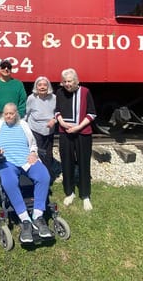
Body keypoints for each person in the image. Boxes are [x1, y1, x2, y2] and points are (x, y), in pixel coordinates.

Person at [0, 102, 52, 243]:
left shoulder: (23, 124)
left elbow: (33, 143)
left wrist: (34, 153)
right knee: (10, 181)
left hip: (26, 159)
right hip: (5, 161)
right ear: (3, 114)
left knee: (44, 176)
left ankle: (38, 216)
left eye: (12, 113)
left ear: (16, 113)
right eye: (6, 113)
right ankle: (25, 220)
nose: (9, 115)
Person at [55, 68, 97, 212]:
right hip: (65, 132)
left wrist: (78, 127)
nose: (67, 84)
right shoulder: (59, 93)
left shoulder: (85, 92)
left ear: (76, 80)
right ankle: (69, 192)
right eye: (65, 81)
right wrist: (61, 122)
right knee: (67, 162)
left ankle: (85, 195)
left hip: (83, 133)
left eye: (70, 81)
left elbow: (92, 113)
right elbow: (57, 111)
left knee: (84, 163)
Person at [25, 76, 56, 180]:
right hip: (35, 129)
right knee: (37, 152)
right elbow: (26, 113)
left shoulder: (54, 98)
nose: (42, 87)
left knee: (48, 154)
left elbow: (58, 113)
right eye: (40, 85)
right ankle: (37, 175)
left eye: (44, 85)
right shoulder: (31, 98)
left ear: (48, 86)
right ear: (36, 87)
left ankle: (47, 175)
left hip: (49, 130)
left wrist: (54, 120)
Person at [0, 59, 27, 133]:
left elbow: (23, 102)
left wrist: (18, 116)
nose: (6, 69)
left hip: (13, 117)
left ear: (11, 70)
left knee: (12, 137)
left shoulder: (18, 84)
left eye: (8, 67)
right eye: (3, 67)